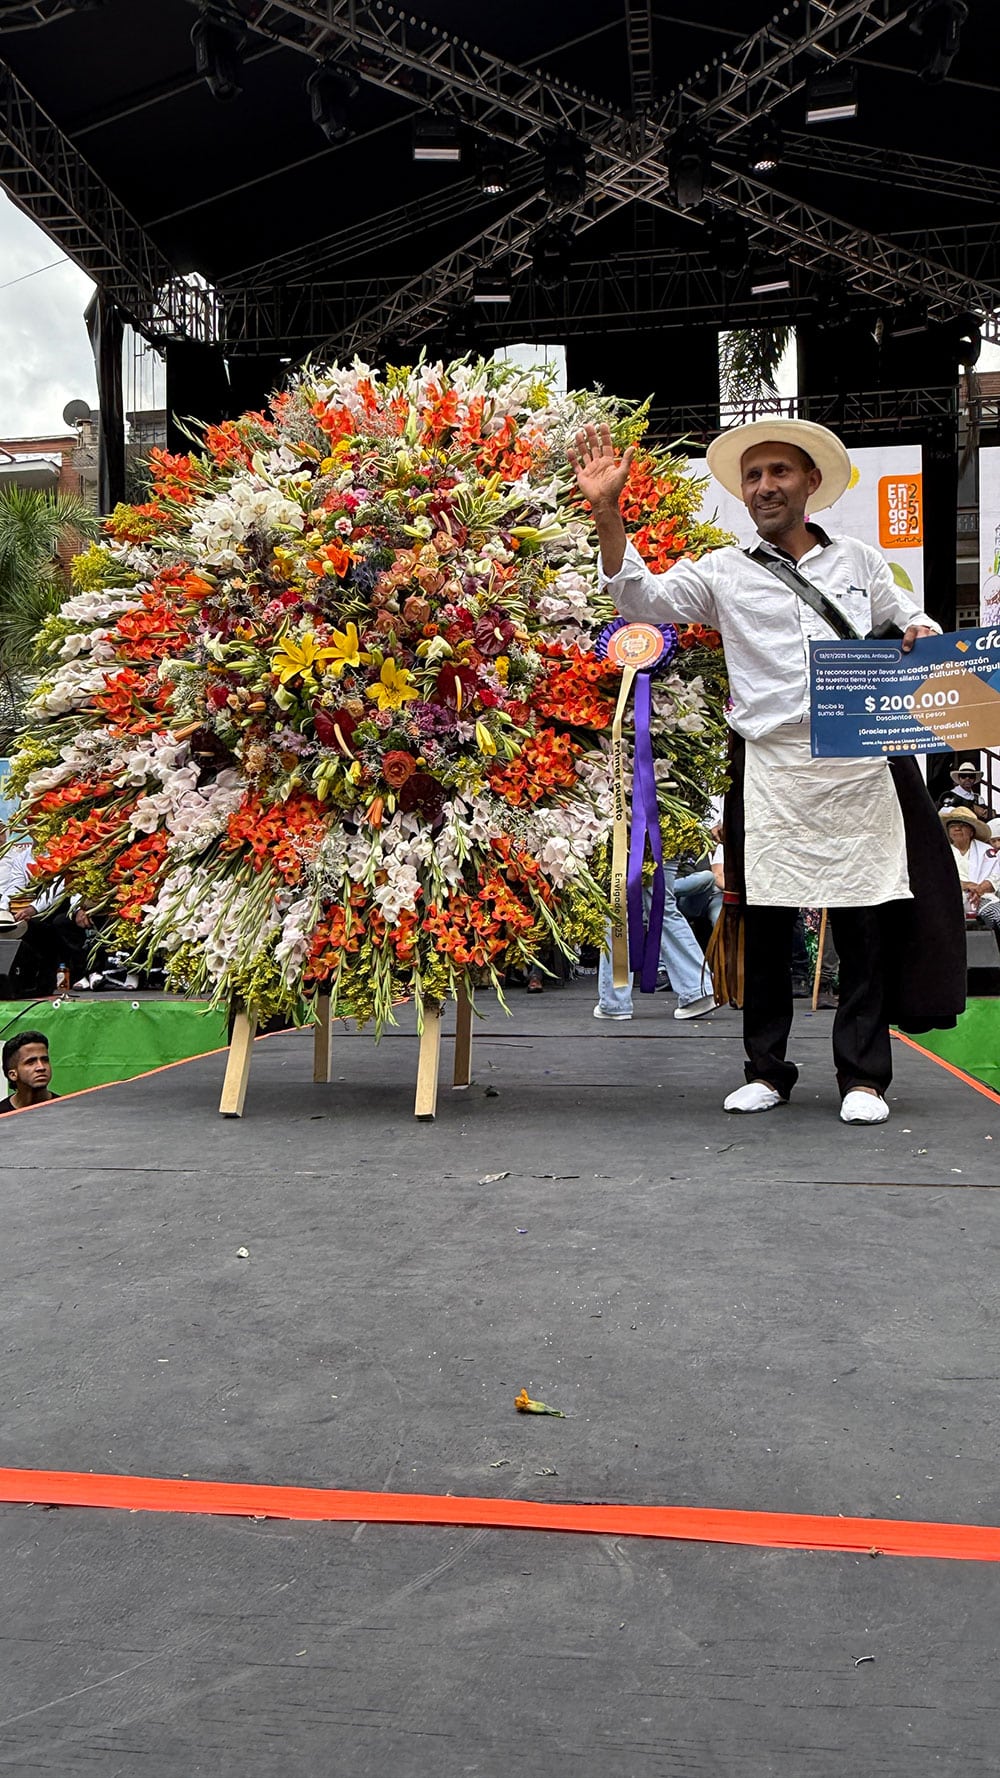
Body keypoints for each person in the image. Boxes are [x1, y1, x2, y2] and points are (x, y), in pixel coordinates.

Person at [568, 416, 965, 1125]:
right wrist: (606, 511)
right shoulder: (723, 570)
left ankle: (863, 1078)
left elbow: (916, 622)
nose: (765, 486)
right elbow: (638, 598)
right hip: (771, 767)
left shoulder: (861, 562)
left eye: (779, 471)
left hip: (857, 764)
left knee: (865, 924)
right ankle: (766, 1071)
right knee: (768, 923)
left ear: (811, 482)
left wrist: (921, 632)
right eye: (753, 476)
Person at [594, 864, 715, 1020]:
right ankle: (697, 989)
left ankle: (615, 1002)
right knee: (661, 905)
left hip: (626, 851)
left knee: (618, 906)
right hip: (665, 850)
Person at [939, 805, 1000, 919]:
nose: (957, 828)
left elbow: (996, 876)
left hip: (983, 898)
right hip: (948, 900)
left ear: (971, 831)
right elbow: (938, 878)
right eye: (952, 826)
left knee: (997, 914)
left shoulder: (985, 850)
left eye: (962, 825)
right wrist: (965, 885)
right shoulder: (941, 852)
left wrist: (979, 889)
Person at [0, 1029, 59, 1113]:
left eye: (45, 1060)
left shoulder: (67, 1109)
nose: (41, 1067)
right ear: (13, 1075)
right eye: (30, 1062)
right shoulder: (3, 1115)